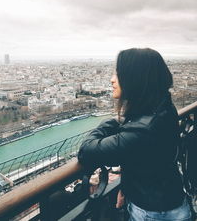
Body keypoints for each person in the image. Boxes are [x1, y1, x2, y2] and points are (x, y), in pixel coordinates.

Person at [78, 48, 192, 221]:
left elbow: (87, 150)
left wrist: (114, 120)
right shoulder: (163, 107)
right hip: (169, 200)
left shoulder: (141, 130)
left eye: (118, 74)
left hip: (152, 213)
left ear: (135, 79)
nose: (112, 80)